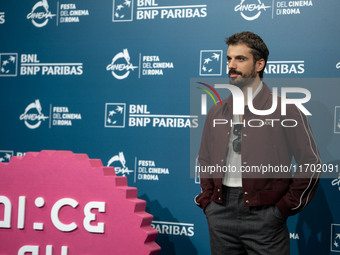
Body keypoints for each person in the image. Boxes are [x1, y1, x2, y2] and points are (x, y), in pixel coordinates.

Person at [194, 31, 321, 255]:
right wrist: (208, 202)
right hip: (220, 213)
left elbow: (311, 163)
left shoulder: (286, 109)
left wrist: (282, 209)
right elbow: (204, 158)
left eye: (240, 59)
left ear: (259, 64)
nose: (231, 65)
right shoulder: (216, 111)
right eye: (229, 59)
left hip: (266, 217)